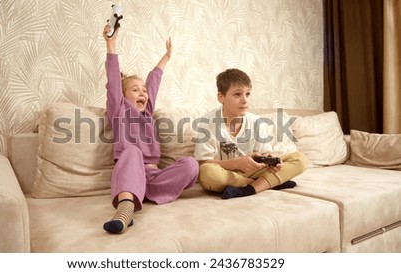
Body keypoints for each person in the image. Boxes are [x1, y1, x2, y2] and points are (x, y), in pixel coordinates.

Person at [102, 24, 198, 234]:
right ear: (123, 95)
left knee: (191, 164)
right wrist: (111, 44)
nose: (142, 93)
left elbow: (153, 81)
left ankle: (144, 193)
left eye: (143, 91)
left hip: (153, 178)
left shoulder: (148, 112)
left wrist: (167, 56)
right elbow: (113, 84)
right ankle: (125, 212)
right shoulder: (118, 109)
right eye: (135, 90)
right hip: (130, 172)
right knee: (133, 151)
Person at [194, 68, 307, 199]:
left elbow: (264, 154)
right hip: (225, 174)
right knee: (207, 172)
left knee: (300, 159)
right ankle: (267, 183)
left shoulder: (256, 121)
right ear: (221, 97)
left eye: (247, 94)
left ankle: (249, 189)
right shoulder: (206, 123)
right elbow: (203, 164)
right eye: (237, 94)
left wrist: (270, 162)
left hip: (253, 172)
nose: (245, 100)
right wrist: (236, 163)